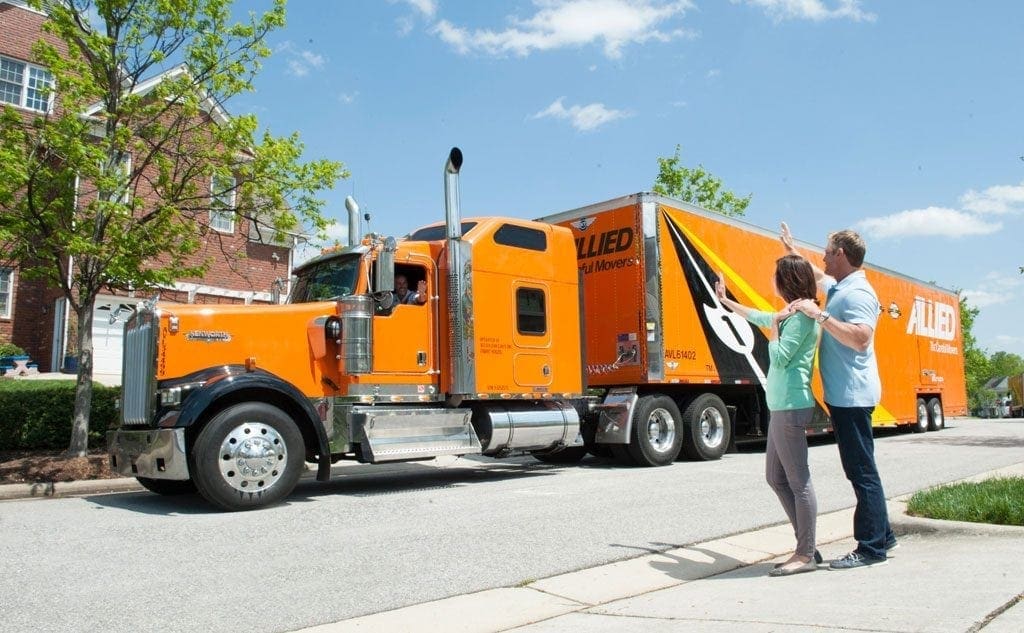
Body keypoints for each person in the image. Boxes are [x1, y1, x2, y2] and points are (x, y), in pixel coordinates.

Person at [781, 223, 897, 570]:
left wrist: (822, 315)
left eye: (828, 251)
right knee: (862, 468)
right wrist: (791, 248)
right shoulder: (842, 286)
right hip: (846, 394)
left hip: (853, 395)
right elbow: (817, 275)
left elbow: (861, 338)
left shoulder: (858, 293)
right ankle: (884, 534)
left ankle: (871, 547)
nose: (824, 256)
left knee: (861, 472)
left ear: (842, 254)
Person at [716, 255, 822, 577]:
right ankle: (807, 545)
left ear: (787, 280)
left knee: (798, 482)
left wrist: (774, 330)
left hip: (791, 405)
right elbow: (760, 317)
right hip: (781, 406)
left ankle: (805, 554)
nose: (772, 280)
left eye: (776, 275)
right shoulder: (790, 314)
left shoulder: (802, 317)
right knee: (776, 478)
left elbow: (780, 358)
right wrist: (725, 301)